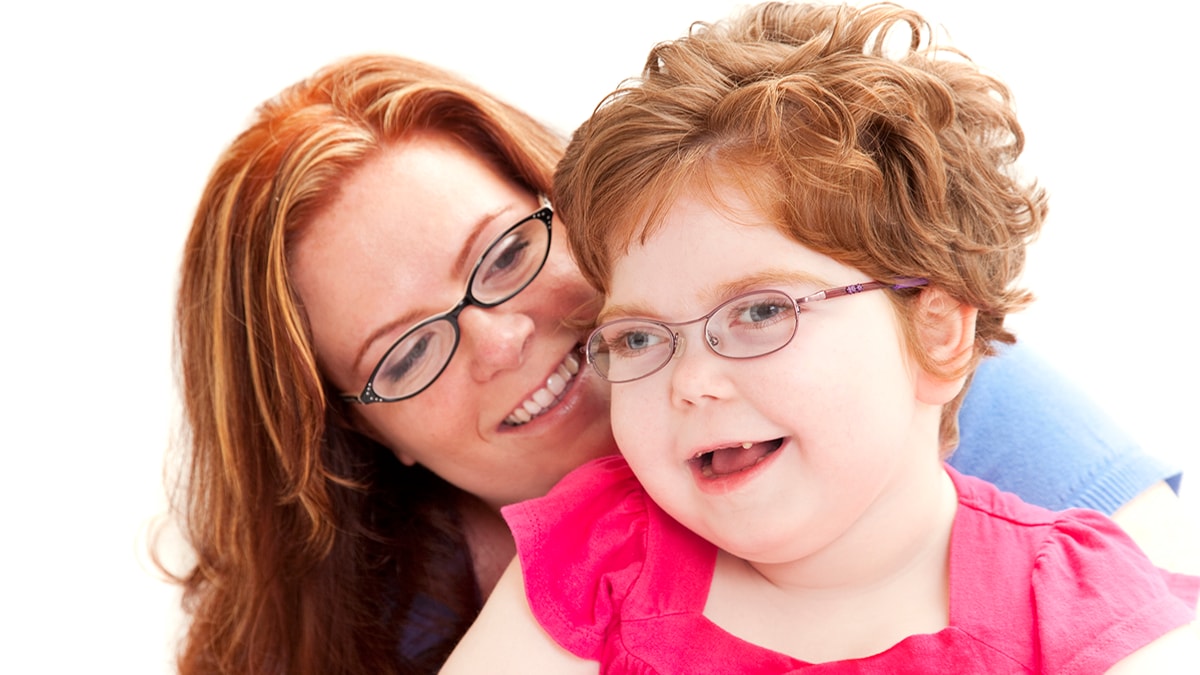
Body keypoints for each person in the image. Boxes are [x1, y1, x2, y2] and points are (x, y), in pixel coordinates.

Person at [163, 35, 1190, 675]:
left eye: (507, 254)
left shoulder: (905, 374)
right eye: (407, 350)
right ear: (361, 432)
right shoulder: (544, 572)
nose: (504, 336)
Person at [439, 2, 1199, 672]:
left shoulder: (1073, 609)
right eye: (638, 338)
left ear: (936, 333)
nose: (690, 380)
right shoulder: (604, 554)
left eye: (762, 311)